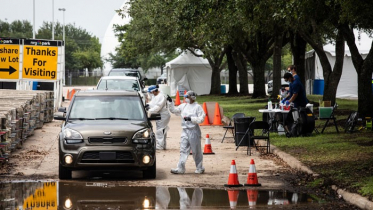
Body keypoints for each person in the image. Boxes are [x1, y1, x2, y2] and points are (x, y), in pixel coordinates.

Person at [167, 90, 205, 174]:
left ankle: (199, 167)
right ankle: (180, 168)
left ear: (192, 98)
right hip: (185, 130)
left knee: (196, 150)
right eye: (185, 97)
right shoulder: (183, 106)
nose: (185, 98)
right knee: (183, 149)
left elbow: (201, 119)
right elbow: (174, 111)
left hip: (194, 131)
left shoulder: (197, 107)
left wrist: (191, 119)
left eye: (187, 97)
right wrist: (170, 102)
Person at [147, 85, 171, 150]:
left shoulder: (161, 96)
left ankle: (160, 146)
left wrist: (149, 110)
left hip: (163, 115)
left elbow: (158, 107)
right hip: (160, 115)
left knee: (160, 130)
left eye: (151, 92)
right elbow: (153, 103)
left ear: (155, 91)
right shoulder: (156, 96)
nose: (151, 94)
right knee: (162, 130)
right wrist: (147, 105)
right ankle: (163, 145)